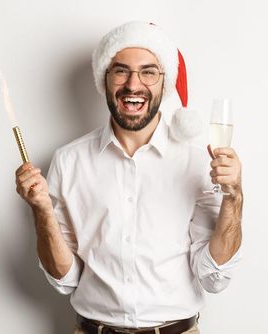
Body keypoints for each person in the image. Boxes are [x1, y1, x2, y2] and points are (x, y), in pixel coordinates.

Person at [14, 21, 244, 334]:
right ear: (104, 80)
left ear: (164, 83)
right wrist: (40, 210)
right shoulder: (69, 161)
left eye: (148, 72)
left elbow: (213, 277)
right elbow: (64, 280)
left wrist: (234, 197)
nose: (133, 84)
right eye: (120, 71)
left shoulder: (198, 161)